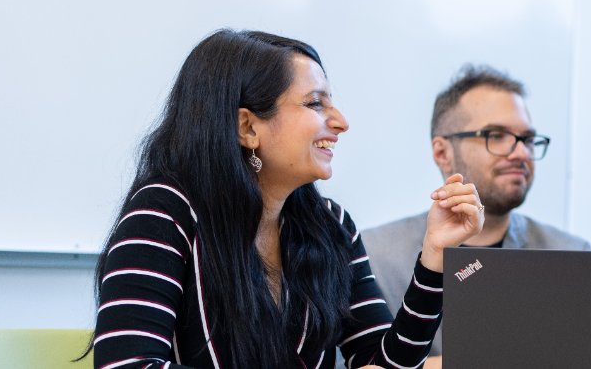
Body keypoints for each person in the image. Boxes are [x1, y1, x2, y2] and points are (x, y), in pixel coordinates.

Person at [90, 29, 485, 368]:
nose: (341, 122)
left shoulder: (331, 224)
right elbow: (128, 363)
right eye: (315, 103)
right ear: (247, 127)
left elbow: (378, 363)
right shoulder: (163, 213)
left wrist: (434, 258)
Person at [362, 64, 590, 366]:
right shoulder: (376, 257)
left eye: (527, 139)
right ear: (443, 153)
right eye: (495, 135)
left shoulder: (571, 255)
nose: (521, 153)